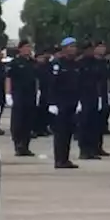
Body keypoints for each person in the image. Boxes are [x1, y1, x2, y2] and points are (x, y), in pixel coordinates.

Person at [48, 37, 82, 169]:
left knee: (69, 131)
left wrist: (79, 101)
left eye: (74, 46)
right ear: (64, 48)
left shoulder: (76, 65)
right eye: (70, 46)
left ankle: (65, 159)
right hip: (60, 102)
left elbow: (79, 84)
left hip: (72, 101)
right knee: (60, 132)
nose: (73, 49)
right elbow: (51, 84)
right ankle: (59, 160)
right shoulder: (57, 64)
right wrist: (52, 103)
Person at [6, 40, 40, 157]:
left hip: (31, 95)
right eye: (25, 47)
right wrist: (8, 94)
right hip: (19, 95)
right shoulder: (15, 62)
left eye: (29, 47)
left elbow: (36, 78)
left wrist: (38, 91)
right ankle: (18, 145)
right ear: (20, 49)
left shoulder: (33, 62)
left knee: (28, 121)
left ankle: (25, 146)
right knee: (18, 121)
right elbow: (8, 78)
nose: (28, 49)